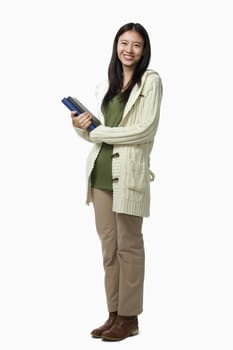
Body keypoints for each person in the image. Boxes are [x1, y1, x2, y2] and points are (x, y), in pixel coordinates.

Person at [71, 22, 163, 341]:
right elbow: (98, 134)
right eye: (124, 43)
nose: (129, 49)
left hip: (128, 178)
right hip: (99, 175)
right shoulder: (108, 83)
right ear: (116, 46)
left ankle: (129, 317)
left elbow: (144, 130)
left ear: (144, 50)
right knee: (109, 249)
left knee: (129, 247)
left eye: (136, 45)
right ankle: (113, 315)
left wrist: (99, 132)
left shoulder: (150, 81)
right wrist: (82, 126)